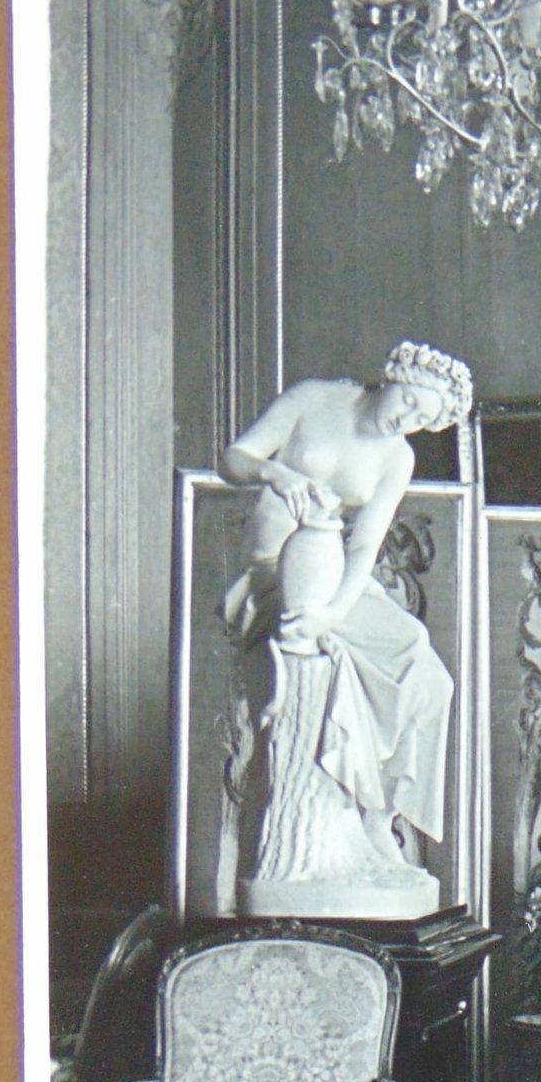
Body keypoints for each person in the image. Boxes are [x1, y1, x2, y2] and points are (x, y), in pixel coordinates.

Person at [220, 339, 474, 880]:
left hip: (333, 578)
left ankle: (381, 812)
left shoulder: (397, 456)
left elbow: (364, 547)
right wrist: (277, 474)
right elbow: (234, 459)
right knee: (366, 657)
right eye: (409, 401)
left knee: (431, 680)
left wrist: (334, 613)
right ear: (394, 376)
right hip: (273, 569)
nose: (406, 420)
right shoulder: (315, 399)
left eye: (423, 420)